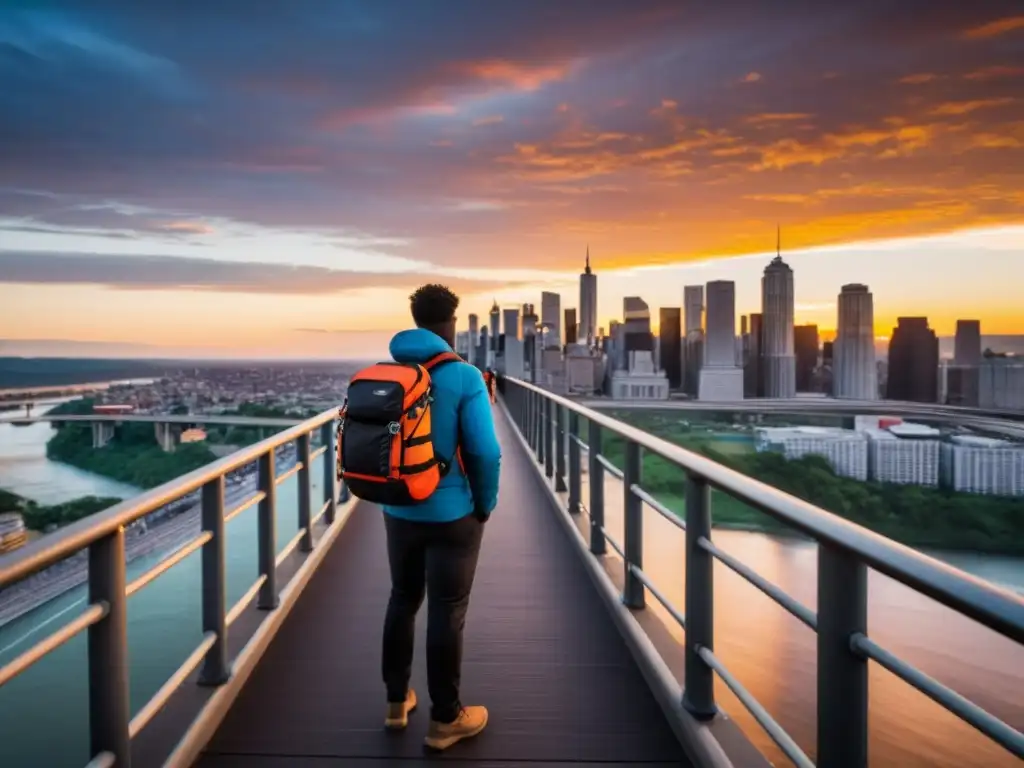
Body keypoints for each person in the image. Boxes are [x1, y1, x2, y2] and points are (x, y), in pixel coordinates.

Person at [381, 283, 502, 751]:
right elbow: (485, 452)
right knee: (447, 611)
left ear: (414, 320)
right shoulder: (464, 376)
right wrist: (484, 504)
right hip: (453, 513)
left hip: (397, 507)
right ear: (451, 324)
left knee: (402, 598)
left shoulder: (390, 371)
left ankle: (396, 702)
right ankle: (445, 718)